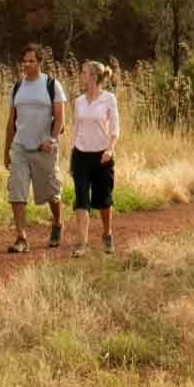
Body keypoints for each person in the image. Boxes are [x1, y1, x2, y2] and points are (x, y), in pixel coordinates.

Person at [1, 43, 67, 253]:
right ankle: (21, 237)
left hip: (44, 148)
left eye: (31, 60)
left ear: (39, 62)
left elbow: (60, 118)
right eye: (25, 60)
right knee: (16, 191)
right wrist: (7, 150)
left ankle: (57, 223)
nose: (27, 64)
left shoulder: (51, 85)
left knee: (51, 193)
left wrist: (52, 140)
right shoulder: (17, 88)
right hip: (20, 146)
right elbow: (11, 121)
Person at [67, 59, 120, 255]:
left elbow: (115, 129)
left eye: (84, 72)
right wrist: (71, 155)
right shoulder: (79, 101)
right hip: (81, 155)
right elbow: (76, 128)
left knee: (104, 200)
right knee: (81, 197)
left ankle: (107, 234)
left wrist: (110, 149)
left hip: (102, 156)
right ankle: (82, 243)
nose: (81, 76)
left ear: (94, 77)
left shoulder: (109, 99)